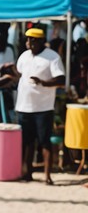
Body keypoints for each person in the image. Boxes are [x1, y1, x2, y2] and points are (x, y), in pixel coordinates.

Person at [10, 26, 66, 185]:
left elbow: (61, 79)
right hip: (23, 107)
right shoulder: (24, 56)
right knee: (27, 142)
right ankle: (27, 173)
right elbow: (20, 73)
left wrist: (44, 83)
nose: (29, 42)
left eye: (33, 40)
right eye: (28, 39)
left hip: (43, 108)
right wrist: (11, 73)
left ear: (42, 41)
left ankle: (47, 176)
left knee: (44, 142)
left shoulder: (52, 57)